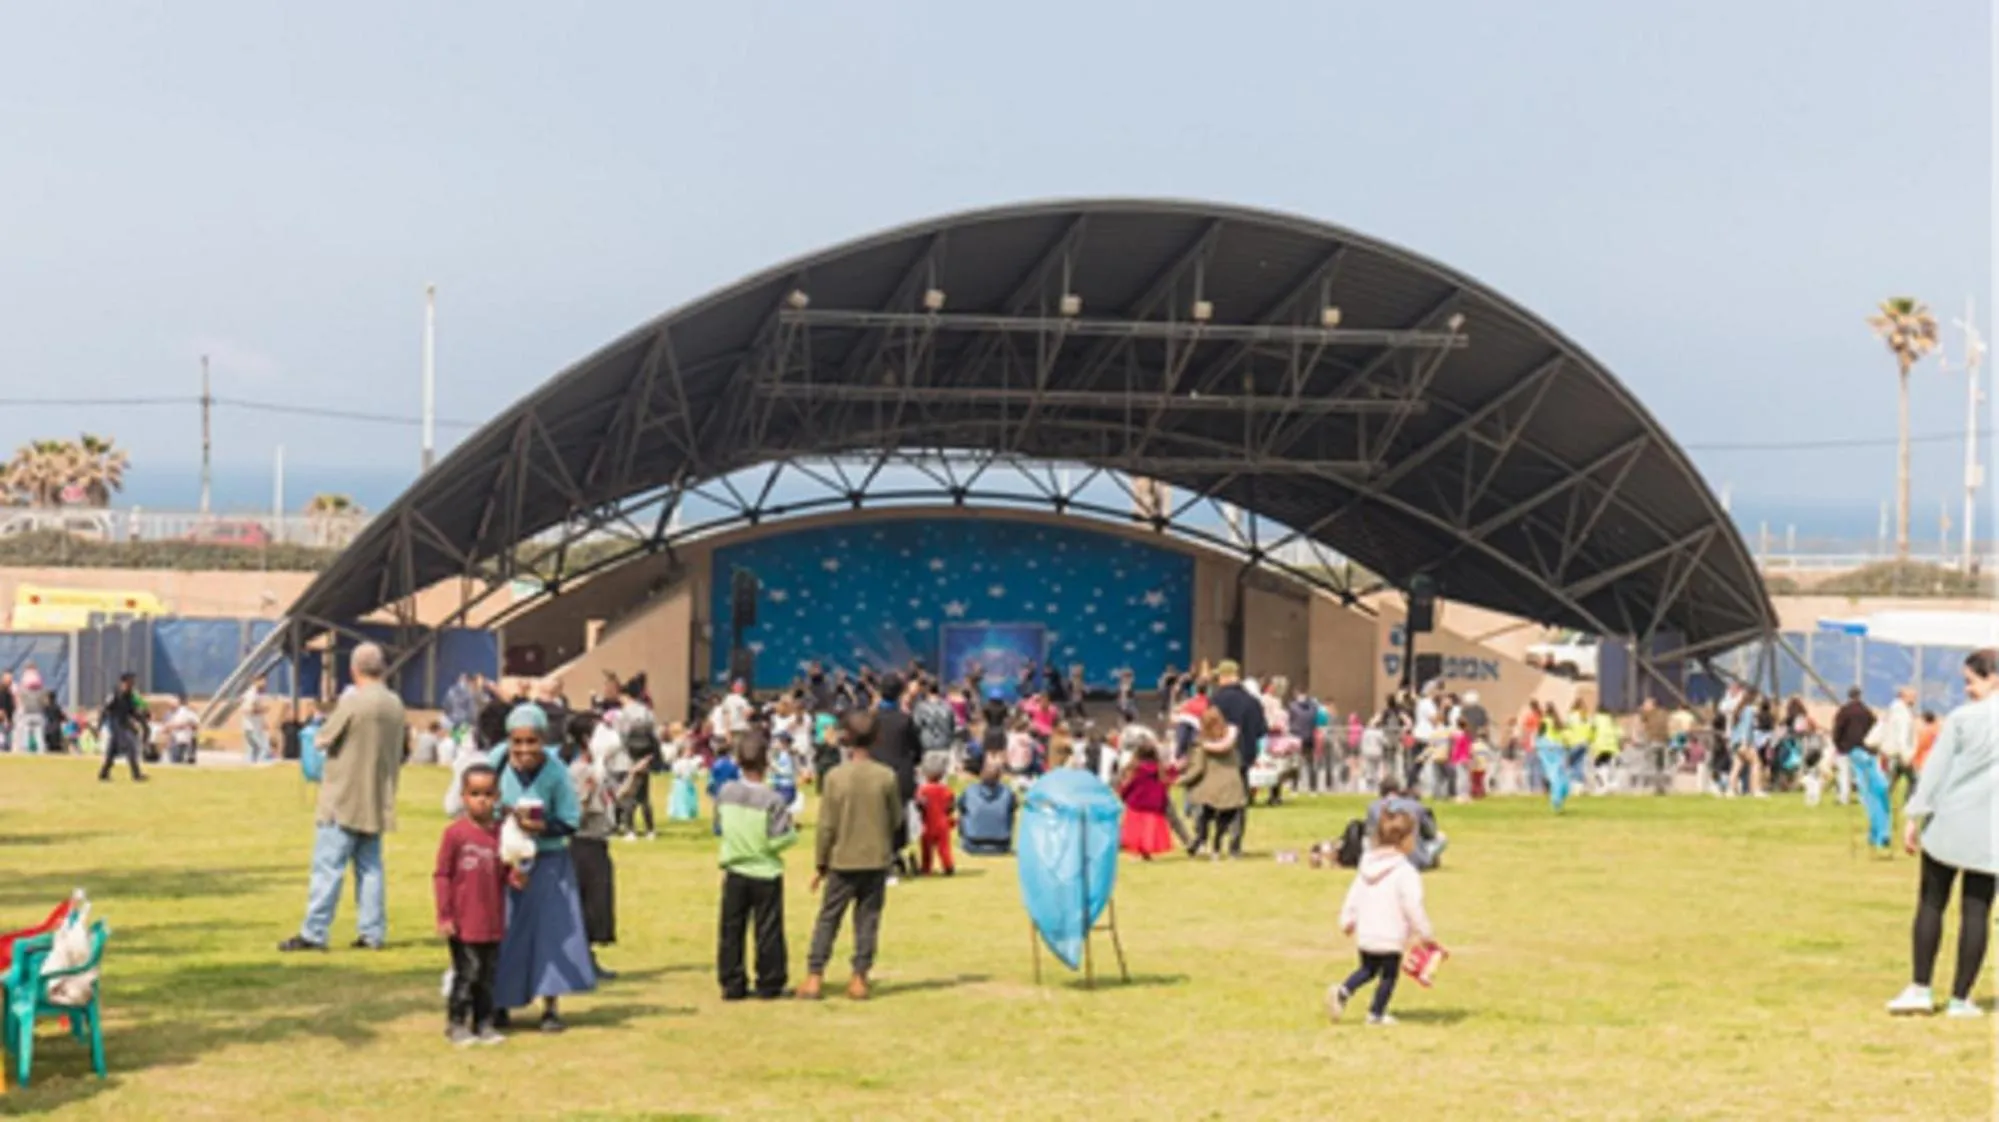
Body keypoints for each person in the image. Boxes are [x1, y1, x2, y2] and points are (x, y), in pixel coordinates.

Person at [1887, 649, 1997, 1019]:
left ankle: (1920, 987)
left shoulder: (1963, 719)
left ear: (1993, 677)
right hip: (1990, 832)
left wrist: (1914, 815)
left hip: (1949, 823)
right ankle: (1960, 999)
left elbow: (1935, 770)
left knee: (1932, 903)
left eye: (1971, 681)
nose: (1967, 689)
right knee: (1977, 912)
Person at [280, 643, 405, 952]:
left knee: (328, 867)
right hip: (377, 796)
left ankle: (314, 932)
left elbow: (322, 738)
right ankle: (373, 933)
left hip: (343, 797)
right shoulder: (395, 704)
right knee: (371, 868)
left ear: (354, 669)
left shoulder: (354, 701)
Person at [488, 704, 595, 1032]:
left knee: (552, 934)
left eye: (531, 742)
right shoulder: (497, 761)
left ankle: (550, 1006)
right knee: (505, 931)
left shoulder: (556, 771)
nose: (523, 750)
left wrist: (542, 827)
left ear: (542, 739)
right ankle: (500, 1002)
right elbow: (477, 798)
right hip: (506, 861)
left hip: (549, 863)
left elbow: (570, 821)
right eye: (517, 742)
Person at [800, 709, 902, 1001]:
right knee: (867, 920)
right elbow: (896, 818)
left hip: (841, 860)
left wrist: (820, 862)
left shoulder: (835, 777)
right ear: (877, 738)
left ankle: (814, 975)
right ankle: (859, 977)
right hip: (875, 859)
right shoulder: (886, 776)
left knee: (828, 918)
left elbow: (826, 826)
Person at [1327, 807, 1436, 1027]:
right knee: (1388, 975)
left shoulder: (1366, 866)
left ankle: (1343, 990)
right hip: (1390, 933)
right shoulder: (1405, 872)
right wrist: (1424, 933)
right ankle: (1376, 1013)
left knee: (1367, 969)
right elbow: (1412, 905)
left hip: (1367, 931)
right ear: (1405, 842)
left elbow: (1354, 894)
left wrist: (1347, 919)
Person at [716, 730, 798, 1001]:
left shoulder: (726, 792)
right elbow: (778, 840)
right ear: (766, 762)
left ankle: (732, 981)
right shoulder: (773, 799)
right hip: (765, 870)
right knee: (768, 929)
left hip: (735, 869)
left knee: (731, 929)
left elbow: (720, 826)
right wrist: (792, 832)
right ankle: (769, 981)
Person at [434, 763, 508, 1046]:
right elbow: (442, 875)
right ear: (463, 796)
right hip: (464, 922)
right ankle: (456, 1023)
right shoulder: (456, 834)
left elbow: (507, 873)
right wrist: (445, 915)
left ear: (498, 796)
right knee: (467, 973)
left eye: (488, 793)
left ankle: (484, 1022)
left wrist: (519, 873)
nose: (482, 800)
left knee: (488, 977)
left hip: (493, 919)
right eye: (475, 793)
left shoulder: (502, 834)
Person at [562, 714, 620, 979]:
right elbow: (576, 814)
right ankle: (581, 962)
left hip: (599, 841)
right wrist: (587, 792)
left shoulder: (597, 769)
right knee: (587, 905)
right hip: (584, 844)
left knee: (598, 904)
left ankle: (588, 959)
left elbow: (612, 800)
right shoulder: (579, 772)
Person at [1206, 660, 1266, 848]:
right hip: (1244, 757)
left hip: (1219, 758)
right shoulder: (1252, 701)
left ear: (1224, 677)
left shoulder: (1215, 700)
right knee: (1240, 799)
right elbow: (1261, 730)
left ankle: (1216, 838)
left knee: (1217, 798)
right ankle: (1236, 841)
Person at [1183, 706, 1248, 860]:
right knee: (1232, 820)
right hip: (1233, 786)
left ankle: (1204, 844)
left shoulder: (1201, 745)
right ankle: (1234, 850)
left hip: (1211, 791)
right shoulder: (1232, 738)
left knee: (1205, 818)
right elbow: (1239, 761)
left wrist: (1182, 780)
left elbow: (1197, 769)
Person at [1117, 733, 1173, 860]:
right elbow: (1164, 787)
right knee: (1149, 830)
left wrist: (1122, 794)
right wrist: (1162, 803)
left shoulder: (1136, 769)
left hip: (1136, 803)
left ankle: (1136, 852)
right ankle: (1146, 853)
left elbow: (1130, 785)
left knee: (1135, 830)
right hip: (1154, 805)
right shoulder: (1159, 770)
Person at [958, 755, 1018, 856]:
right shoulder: (1008, 792)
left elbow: (960, 807)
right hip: (1001, 845)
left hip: (973, 845)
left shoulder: (969, 791)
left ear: (980, 775)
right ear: (999, 776)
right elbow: (1014, 807)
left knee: (963, 812)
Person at [97, 672, 149, 782]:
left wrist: (143, 723)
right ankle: (136, 774)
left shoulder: (129, 696)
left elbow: (133, 712)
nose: (132, 684)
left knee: (112, 752)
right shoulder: (115, 694)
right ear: (124, 682)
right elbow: (104, 710)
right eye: (130, 682)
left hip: (123, 725)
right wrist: (99, 726)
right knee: (130, 748)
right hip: (116, 726)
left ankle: (103, 774)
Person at [1831, 686, 1875, 807]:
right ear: (1860, 696)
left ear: (1849, 696)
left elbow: (1838, 728)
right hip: (1862, 747)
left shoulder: (1844, 711)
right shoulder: (1866, 712)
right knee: (1860, 774)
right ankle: (1863, 798)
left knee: (1844, 774)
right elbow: (1873, 728)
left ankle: (1844, 798)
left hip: (1845, 747)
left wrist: (1837, 743)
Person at [914, 755, 956, 876]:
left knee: (926, 849)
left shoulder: (923, 790)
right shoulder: (946, 789)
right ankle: (948, 866)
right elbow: (951, 805)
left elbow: (919, 804)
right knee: (944, 848)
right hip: (942, 823)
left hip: (928, 823)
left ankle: (926, 868)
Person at [1534, 705, 1570, 812]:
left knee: (1552, 775)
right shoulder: (1558, 722)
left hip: (1546, 749)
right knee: (1559, 775)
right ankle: (1560, 795)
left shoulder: (1544, 721)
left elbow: (1539, 735)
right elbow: (1565, 737)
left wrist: (1537, 748)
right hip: (1558, 749)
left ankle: (1555, 800)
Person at [241, 675, 273, 764]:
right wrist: (262, 709)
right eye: (262, 681)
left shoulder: (258, 694)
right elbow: (246, 710)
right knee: (262, 748)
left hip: (256, 726)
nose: (265, 684)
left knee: (255, 749)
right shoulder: (251, 694)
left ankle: (253, 767)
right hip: (251, 727)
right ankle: (257, 765)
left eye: (265, 681)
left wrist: (263, 722)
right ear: (256, 681)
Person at [166, 696, 200, 765]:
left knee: (188, 760)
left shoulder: (187, 712)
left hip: (187, 739)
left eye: (173, 704)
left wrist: (182, 725)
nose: (171, 706)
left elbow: (196, 725)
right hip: (175, 739)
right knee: (175, 760)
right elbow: (167, 726)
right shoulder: (170, 714)